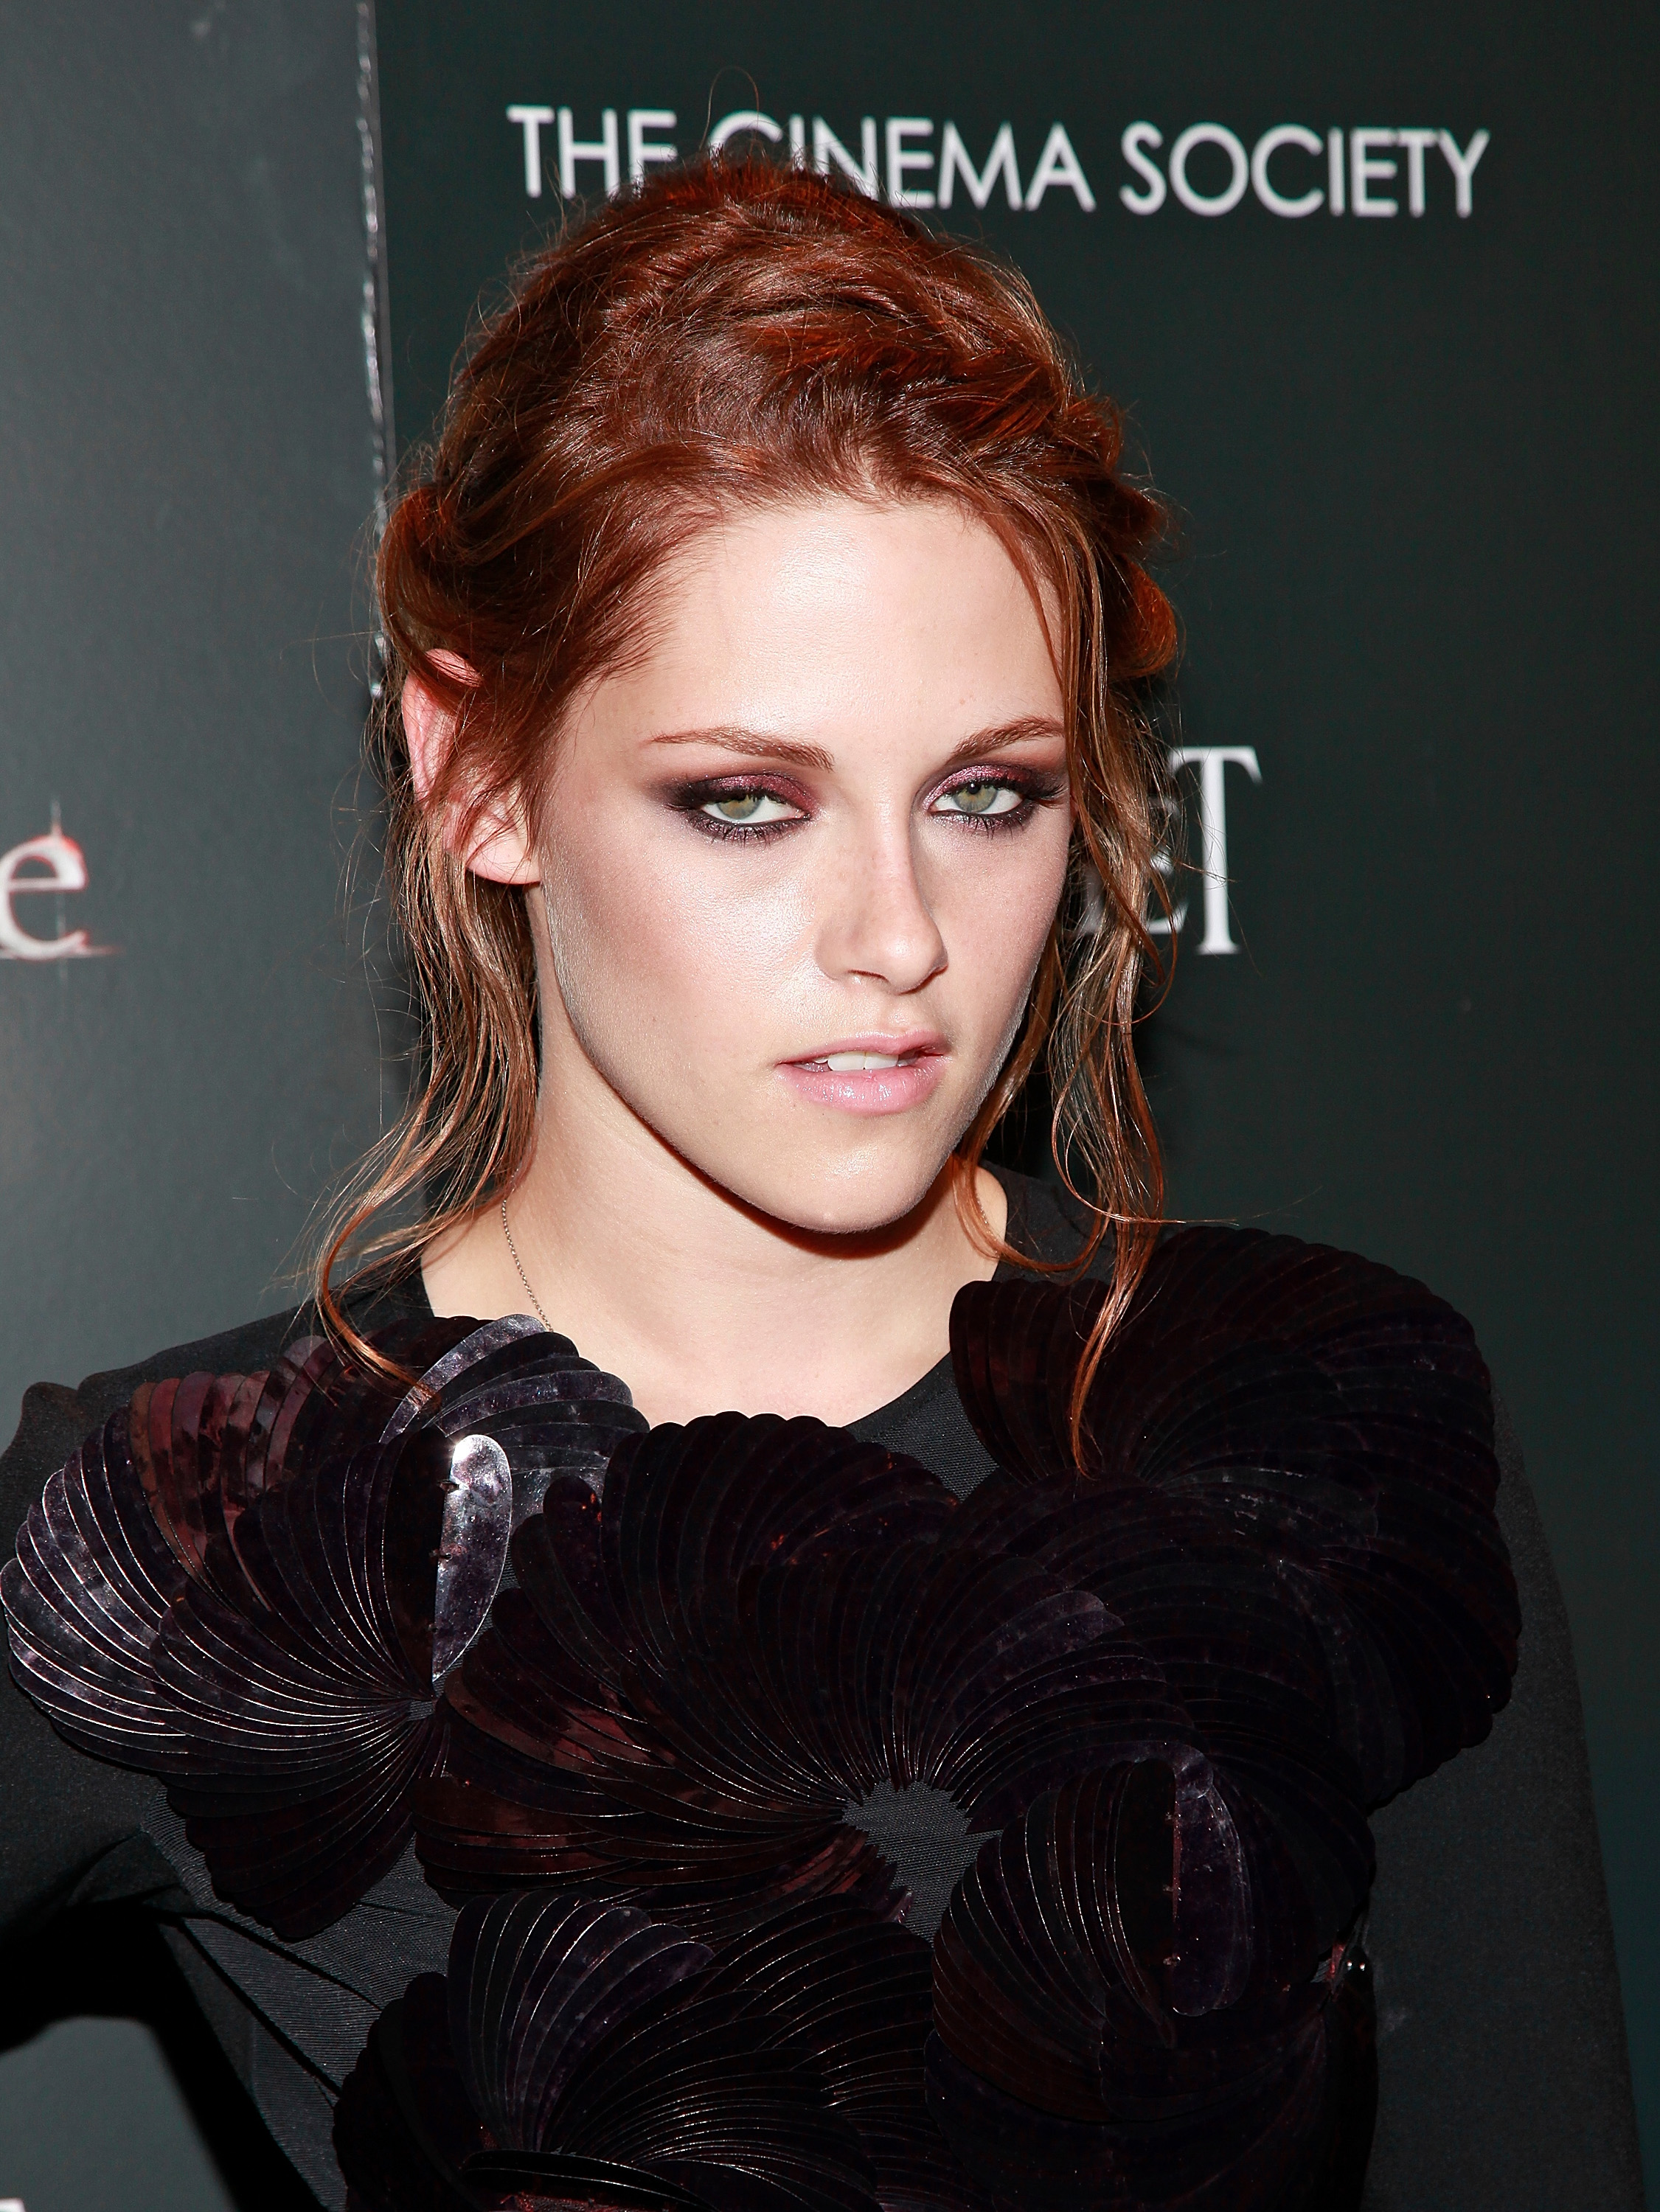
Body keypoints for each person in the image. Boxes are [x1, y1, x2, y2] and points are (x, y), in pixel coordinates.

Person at [0, 159, 1641, 2212]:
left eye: (987, 796)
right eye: (745, 802)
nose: (898, 934)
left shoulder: (1328, 1427)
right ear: (475, 772)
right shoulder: (205, 1532)